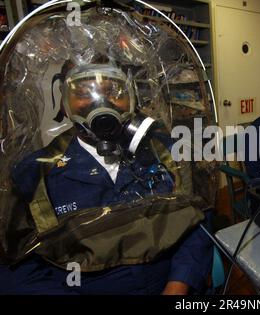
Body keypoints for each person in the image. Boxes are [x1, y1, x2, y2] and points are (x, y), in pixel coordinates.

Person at [1, 60, 213, 295]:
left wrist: (178, 285)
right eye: (83, 93)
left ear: (131, 98)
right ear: (64, 103)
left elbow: (198, 224)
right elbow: (18, 268)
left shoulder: (168, 154)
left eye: (114, 91)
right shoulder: (35, 174)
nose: (99, 102)